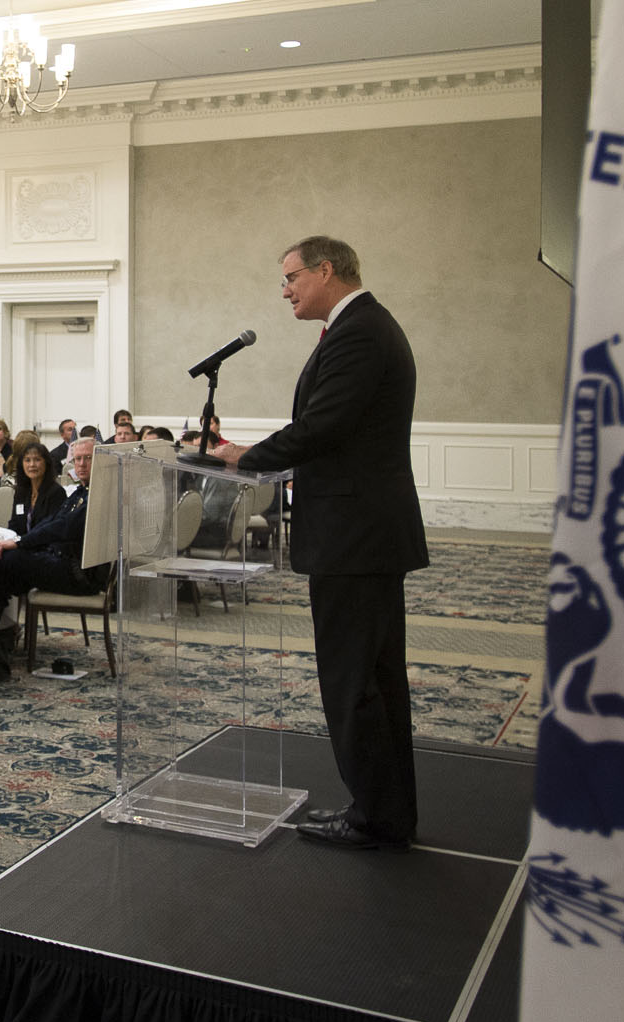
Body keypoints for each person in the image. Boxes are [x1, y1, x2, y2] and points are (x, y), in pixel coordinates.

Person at [212, 235, 427, 851]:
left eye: (290, 279)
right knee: (376, 681)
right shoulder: (364, 326)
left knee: (354, 682)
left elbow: (323, 427)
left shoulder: (359, 331)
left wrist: (246, 458)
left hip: (354, 538)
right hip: (364, 535)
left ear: (326, 271)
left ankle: (375, 818)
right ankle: (388, 812)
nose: (284, 292)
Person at [0, 438, 109, 657]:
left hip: (79, 575)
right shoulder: (80, 492)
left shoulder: (98, 496)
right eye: (78, 459)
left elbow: (62, 527)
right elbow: (52, 522)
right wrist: (22, 543)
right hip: (60, 561)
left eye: (89, 458)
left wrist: (20, 543)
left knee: (6, 562)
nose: (82, 464)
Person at [9, 441, 66, 536]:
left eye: (37, 460)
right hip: (21, 545)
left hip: (44, 547)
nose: (32, 465)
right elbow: (14, 523)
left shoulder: (56, 493)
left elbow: (50, 530)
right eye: (27, 460)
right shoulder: (21, 491)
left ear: (46, 463)